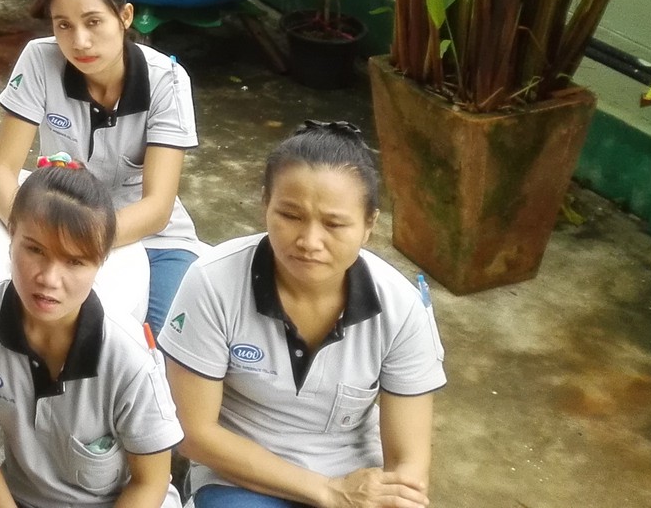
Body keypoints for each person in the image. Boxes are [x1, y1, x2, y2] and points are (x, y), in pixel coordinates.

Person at [161, 122, 444, 508]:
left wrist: (384, 496)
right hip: (242, 476)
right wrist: (327, 492)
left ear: (369, 225)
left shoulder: (402, 309)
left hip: (354, 476)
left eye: (334, 223)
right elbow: (194, 432)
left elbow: (408, 464)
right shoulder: (212, 282)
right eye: (291, 215)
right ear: (265, 205)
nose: (309, 241)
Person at [0, 165, 183, 508]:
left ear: (101, 262)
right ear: (11, 235)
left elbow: (150, 481)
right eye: (35, 250)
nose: (49, 279)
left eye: (75, 262)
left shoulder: (128, 359)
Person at [0, 0, 201, 335]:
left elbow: (157, 208)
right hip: (56, 232)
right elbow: (3, 170)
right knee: (20, 332)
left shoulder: (167, 81)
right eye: (63, 26)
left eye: (94, 22)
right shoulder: (39, 60)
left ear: (125, 16)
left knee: (156, 346)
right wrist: (29, 233)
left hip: (154, 241)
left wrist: (73, 244)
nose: (79, 41)